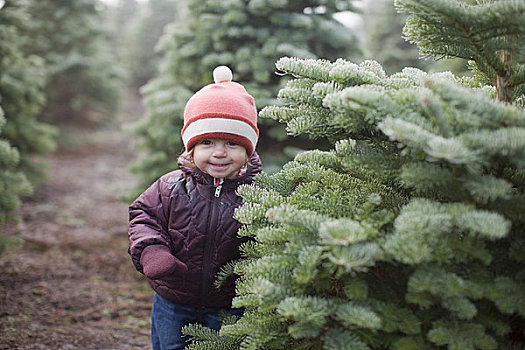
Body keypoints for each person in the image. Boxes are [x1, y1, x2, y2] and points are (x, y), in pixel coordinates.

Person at [128, 66, 262, 350]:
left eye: (232, 143)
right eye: (207, 142)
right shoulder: (170, 186)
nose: (219, 152)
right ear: (190, 148)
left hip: (231, 306)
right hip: (173, 300)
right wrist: (152, 251)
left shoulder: (258, 194)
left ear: (248, 150)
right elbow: (143, 217)